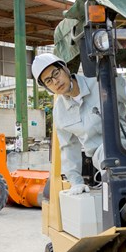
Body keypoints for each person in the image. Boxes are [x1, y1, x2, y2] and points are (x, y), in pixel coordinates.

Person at [32, 53, 103, 195]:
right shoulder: (60, 112)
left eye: (56, 74)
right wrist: (76, 182)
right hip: (103, 160)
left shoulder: (100, 85)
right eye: (48, 81)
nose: (55, 82)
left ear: (65, 69)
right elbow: (68, 148)